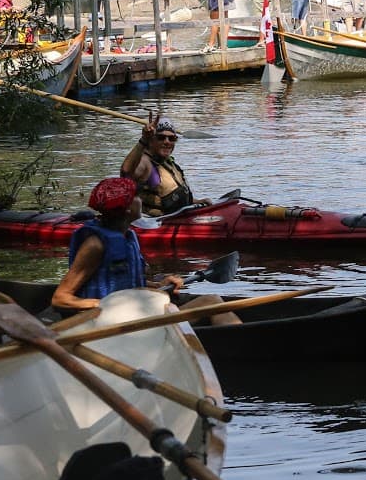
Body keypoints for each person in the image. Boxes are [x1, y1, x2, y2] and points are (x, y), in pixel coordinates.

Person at [50, 177, 240, 327]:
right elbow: (61, 299)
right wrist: (104, 306)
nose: (140, 200)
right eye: (136, 197)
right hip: (107, 325)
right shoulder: (95, 245)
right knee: (211, 301)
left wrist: (158, 285)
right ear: (126, 209)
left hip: (132, 315)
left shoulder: (126, 237)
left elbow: (126, 284)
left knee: (199, 300)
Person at [119, 116, 195, 216]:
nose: (167, 142)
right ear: (151, 140)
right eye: (161, 137)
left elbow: (177, 201)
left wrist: (200, 202)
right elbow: (126, 172)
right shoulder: (145, 162)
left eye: (172, 138)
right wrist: (143, 139)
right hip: (155, 224)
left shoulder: (169, 164)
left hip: (179, 218)